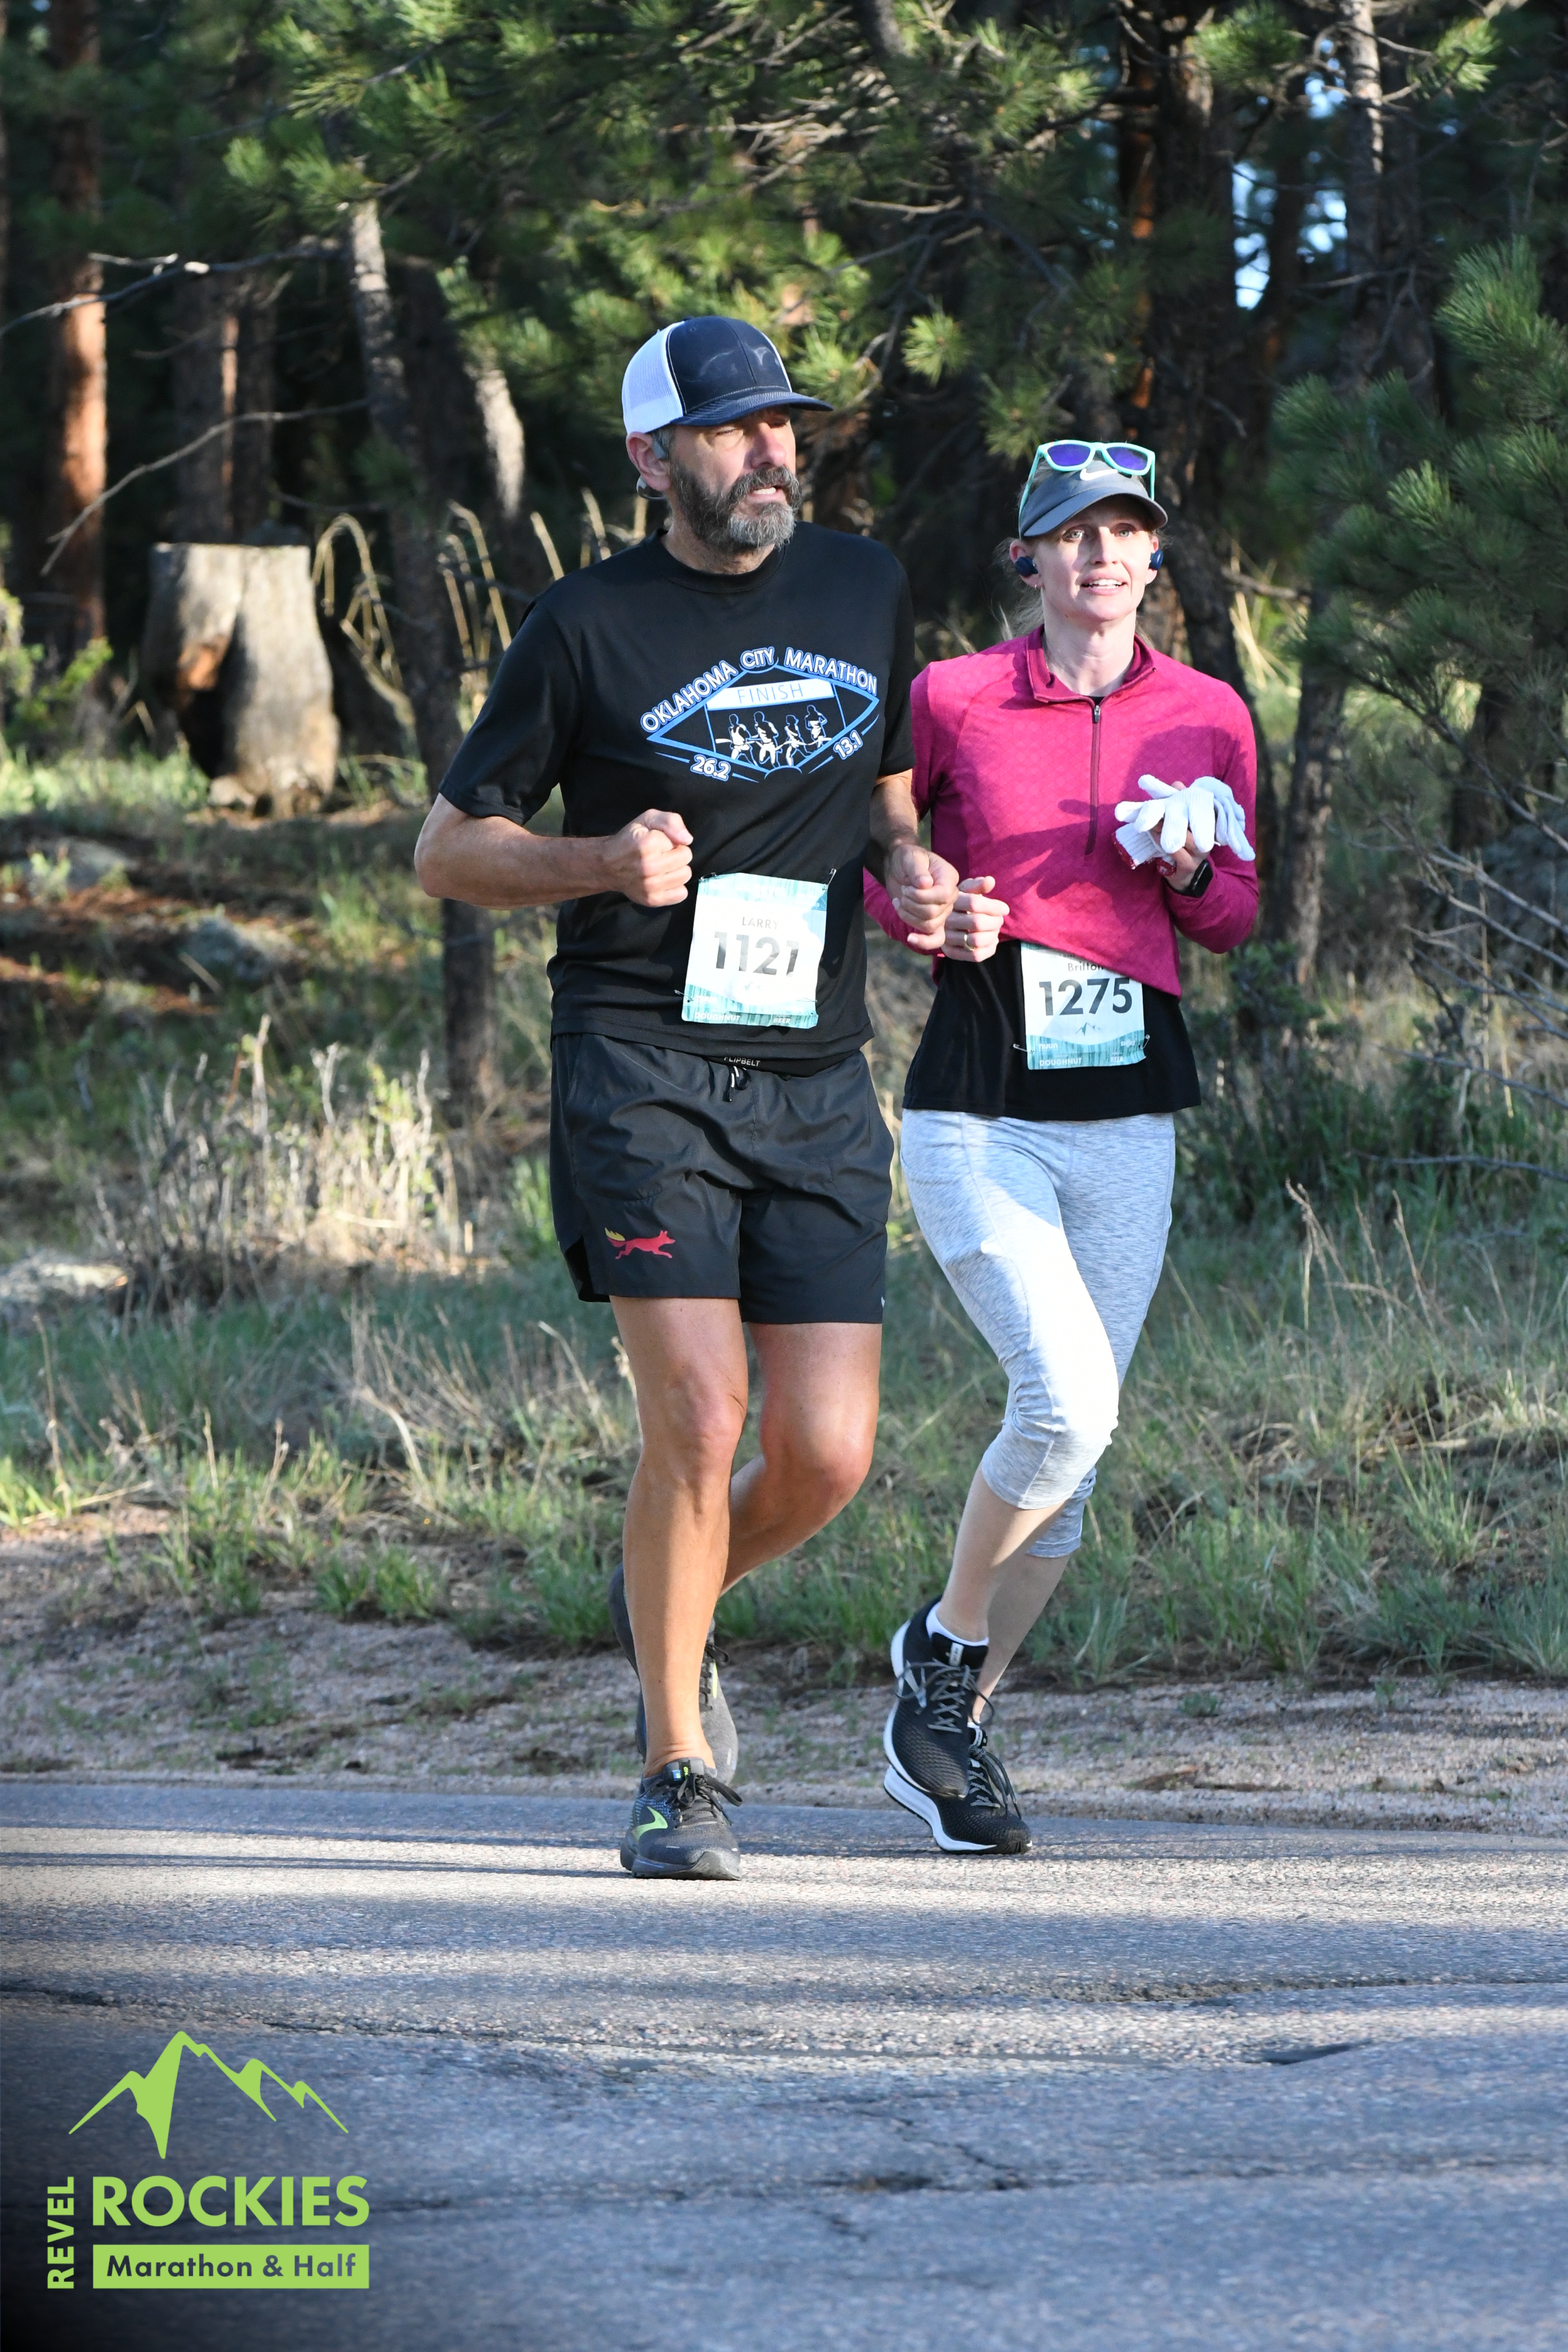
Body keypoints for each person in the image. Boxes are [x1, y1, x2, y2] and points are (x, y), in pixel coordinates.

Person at [415, 315, 957, 1881]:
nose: (772, 453)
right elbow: (448, 850)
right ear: (653, 459)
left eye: (784, 425)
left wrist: (912, 864)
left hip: (815, 1071)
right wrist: (598, 861)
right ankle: (674, 1773)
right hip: (642, 1065)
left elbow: (882, 785)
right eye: (731, 431)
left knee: (829, 1453)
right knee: (704, 1417)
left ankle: (670, 1588)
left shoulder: (863, 586)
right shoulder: (584, 625)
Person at [864, 439, 1259, 1855]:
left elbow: (1235, 916)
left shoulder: (1209, 712)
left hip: (1129, 1117)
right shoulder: (952, 695)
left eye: (1124, 530)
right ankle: (943, 1643)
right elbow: (885, 855)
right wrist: (925, 905)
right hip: (980, 1107)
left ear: (1155, 555)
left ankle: (949, 1733)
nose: (1100, 555)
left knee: (1072, 1482)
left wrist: (1193, 870)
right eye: (1071, 532)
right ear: (1027, 556)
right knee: (1069, 1406)